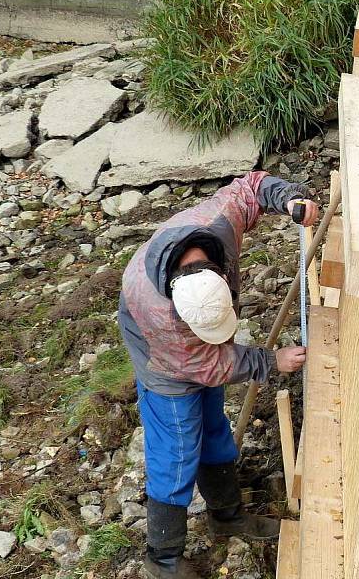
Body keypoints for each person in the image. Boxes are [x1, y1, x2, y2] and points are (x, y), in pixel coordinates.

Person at [118, 172, 318, 579]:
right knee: (175, 449)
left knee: (213, 427)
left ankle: (227, 518)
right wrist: (269, 361)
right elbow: (207, 365)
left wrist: (290, 198)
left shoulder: (216, 226)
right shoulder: (160, 315)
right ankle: (164, 558)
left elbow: (251, 187)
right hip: (162, 359)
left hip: (189, 344)